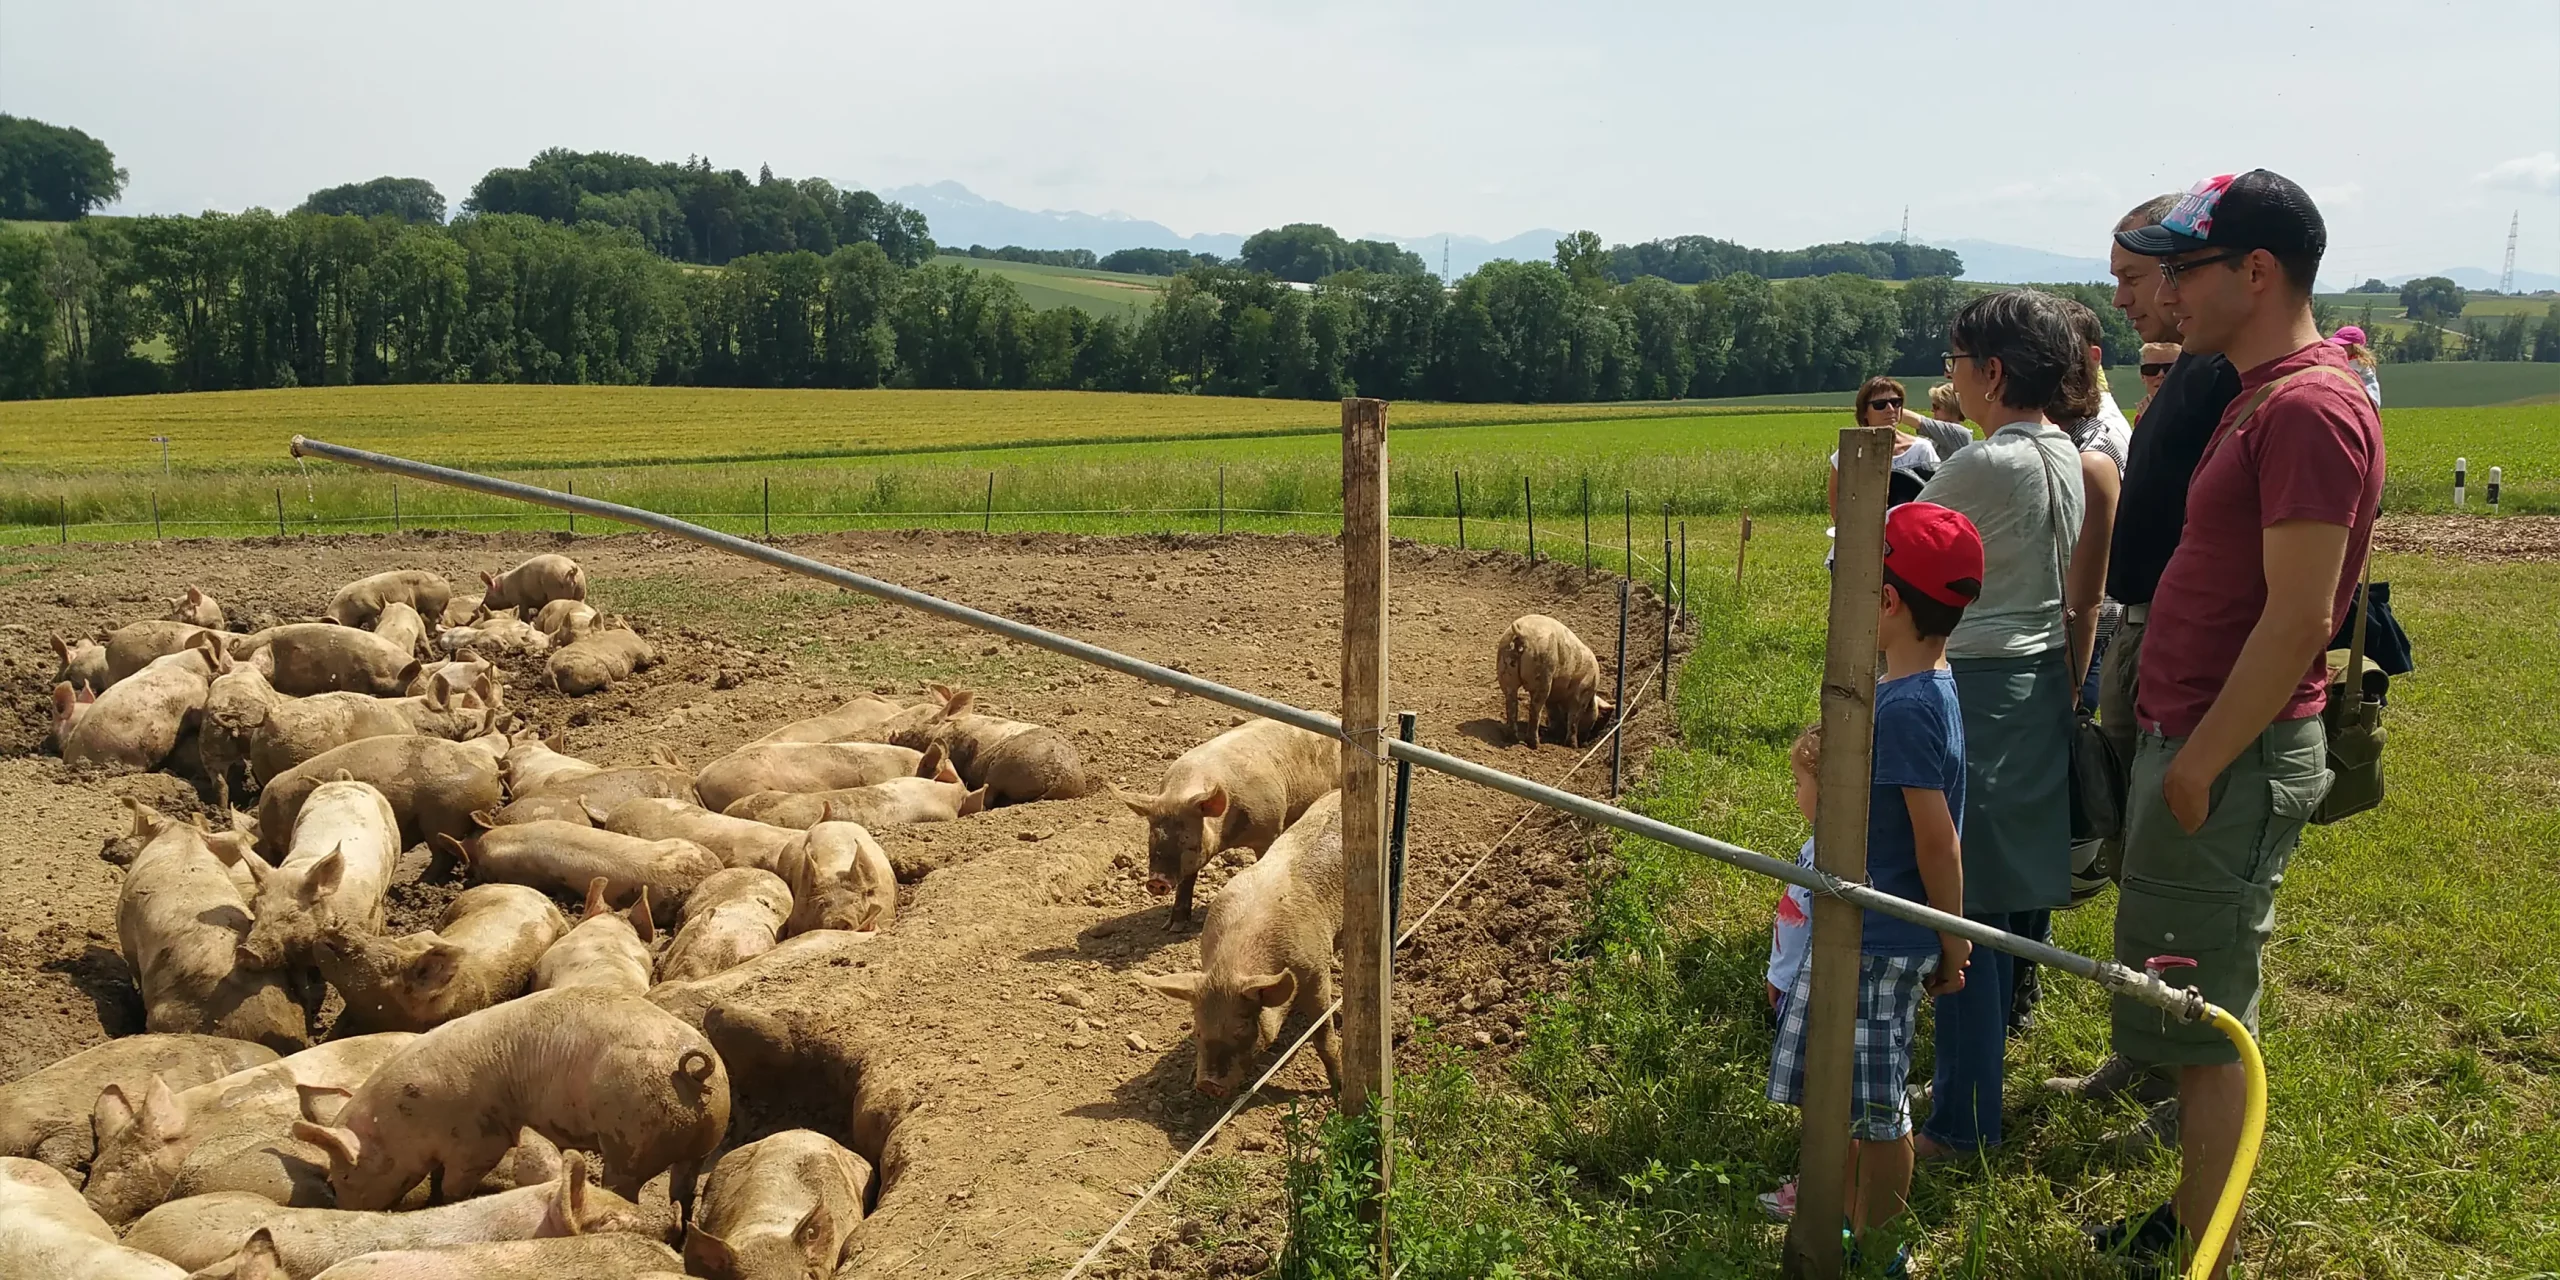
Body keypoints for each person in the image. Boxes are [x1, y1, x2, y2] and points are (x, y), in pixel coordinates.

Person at [2093, 170, 2384, 1276]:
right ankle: (2191, 1210)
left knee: (2203, 1006)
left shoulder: (2307, 407)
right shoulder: (2264, 391)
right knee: (2187, 991)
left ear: (2253, 272)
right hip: (2200, 737)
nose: (2168, 289)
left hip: (2228, 753)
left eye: (2184, 267)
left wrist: (2198, 763)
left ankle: (2199, 1235)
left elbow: (2300, 615)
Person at [2045, 195, 2246, 1145]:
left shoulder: (2241, 375)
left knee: (2194, 876)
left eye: (2134, 278)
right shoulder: (2197, 369)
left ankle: (2193, 1089)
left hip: (2176, 645)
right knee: (2145, 861)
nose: (2125, 300)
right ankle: (2151, 1051)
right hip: (2140, 637)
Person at [1761, 502, 1980, 1265]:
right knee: (1851, 1098)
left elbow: (1936, 843)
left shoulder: (1910, 706)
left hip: (1881, 942)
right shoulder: (1914, 690)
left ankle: (1880, 1248)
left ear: (1884, 601)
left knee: (1880, 1113)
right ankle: (1842, 1215)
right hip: (1863, 935)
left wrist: (1954, 943)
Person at [1908, 290, 2087, 1160]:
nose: (1952, 379)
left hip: (1975, 680)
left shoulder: (1989, 465)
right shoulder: (2067, 454)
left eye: (1955, 362)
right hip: (2039, 680)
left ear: (1991, 371)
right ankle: (1975, 1076)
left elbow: (1894, 548)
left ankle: (1961, 1119)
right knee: (2007, 902)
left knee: (1963, 910)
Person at [1831, 376, 1940, 519]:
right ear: (1864, 412)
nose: (1890, 409)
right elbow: (1837, 504)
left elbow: (1936, 499)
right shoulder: (1849, 453)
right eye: (1880, 404)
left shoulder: (1922, 449)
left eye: (1896, 403)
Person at [2331, 324, 2382, 407]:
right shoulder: (2350, 362)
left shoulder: (2357, 364)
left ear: (2355, 347)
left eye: (2342, 345)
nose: (2338, 347)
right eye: (2336, 344)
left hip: (2363, 407)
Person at [2136, 341, 2182, 417]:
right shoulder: (2141, 416)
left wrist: (2151, 418)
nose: (2160, 375)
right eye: (2151, 369)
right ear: (2142, 376)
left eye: (2169, 368)